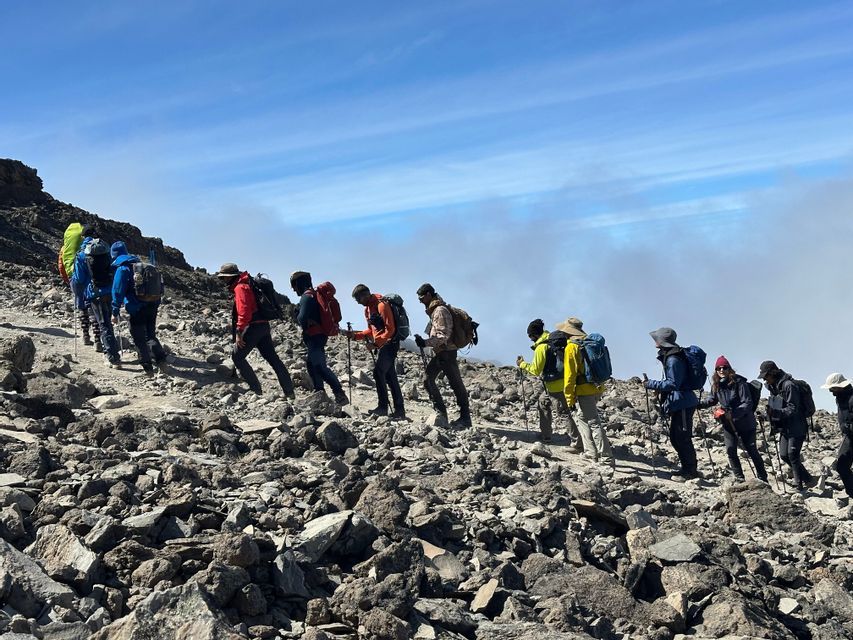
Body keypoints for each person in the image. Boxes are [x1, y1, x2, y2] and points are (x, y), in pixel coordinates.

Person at [216, 263, 295, 398]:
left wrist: (239, 333)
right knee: (273, 359)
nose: (223, 281)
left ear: (230, 277)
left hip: (252, 328)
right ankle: (289, 392)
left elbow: (244, 312)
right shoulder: (249, 284)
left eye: (223, 278)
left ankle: (255, 389)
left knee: (237, 356)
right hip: (263, 326)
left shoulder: (241, 287)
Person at [699, 356, 767, 481]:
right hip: (728, 424)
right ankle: (739, 478)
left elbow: (747, 403)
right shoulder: (716, 385)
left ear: (729, 369)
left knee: (751, 451)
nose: (721, 370)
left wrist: (734, 414)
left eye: (724, 367)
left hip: (746, 423)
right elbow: (712, 400)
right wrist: (698, 404)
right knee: (731, 451)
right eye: (718, 368)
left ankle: (763, 478)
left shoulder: (739, 383)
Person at [643, 327, 699, 480]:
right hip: (681, 402)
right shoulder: (672, 356)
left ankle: (690, 471)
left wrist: (651, 384)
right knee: (676, 437)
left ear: (662, 341)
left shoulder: (673, 359)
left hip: (683, 403)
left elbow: (673, 383)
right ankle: (687, 469)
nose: (655, 342)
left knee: (681, 437)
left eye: (657, 339)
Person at [342, 284, 405, 419]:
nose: (358, 302)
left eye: (358, 299)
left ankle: (383, 408)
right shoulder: (368, 310)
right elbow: (371, 330)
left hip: (390, 344)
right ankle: (399, 411)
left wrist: (376, 344)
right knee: (390, 376)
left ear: (365, 295)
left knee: (378, 372)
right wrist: (355, 335)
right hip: (383, 345)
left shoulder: (381, 305)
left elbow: (391, 329)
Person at [559, 317, 614, 467]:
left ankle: (606, 458)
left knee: (594, 422)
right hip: (597, 387)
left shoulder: (572, 347)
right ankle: (590, 453)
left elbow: (569, 376)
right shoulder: (590, 342)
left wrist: (569, 398)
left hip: (584, 390)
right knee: (582, 417)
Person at [413, 283, 471, 428]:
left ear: (428, 295)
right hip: (444, 352)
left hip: (446, 352)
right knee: (434, 380)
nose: (420, 301)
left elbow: (443, 335)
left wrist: (425, 342)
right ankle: (447, 415)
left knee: (453, 384)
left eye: (421, 298)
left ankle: (460, 417)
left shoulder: (439, 310)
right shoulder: (436, 310)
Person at [517, 319, 580, 447]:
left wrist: (522, 364)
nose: (530, 339)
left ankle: (577, 442)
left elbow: (535, 370)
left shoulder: (541, 347)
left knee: (563, 413)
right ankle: (546, 435)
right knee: (543, 403)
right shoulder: (555, 340)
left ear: (535, 335)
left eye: (530, 336)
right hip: (563, 382)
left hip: (554, 385)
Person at [290, 271, 348, 405]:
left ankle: (339, 394)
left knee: (319, 366)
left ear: (299, 284)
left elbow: (302, 318)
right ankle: (319, 393)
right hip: (320, 335)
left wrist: (297, 314)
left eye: (294, 285)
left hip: (314, 336)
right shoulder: (314, 295)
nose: (293, 289)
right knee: (311, 364)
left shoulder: (307, 296)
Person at [111, 242, 167, 375]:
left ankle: (147, 368)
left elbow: (117, 291)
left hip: (136, 307)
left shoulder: (122, 269)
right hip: (152, 304)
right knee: (150, 335)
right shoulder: (140, 265)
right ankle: (162, 361)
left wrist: (115, 310)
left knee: (139, 337)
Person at [759, 360, 814, 491]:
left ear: (773, 373)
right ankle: (808, 479)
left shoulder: (788, 385)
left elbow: (793, 408)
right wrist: (766, 416)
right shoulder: (774, 387)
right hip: (785, 426)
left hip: (797, 424)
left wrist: (776, 413)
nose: (765, 379)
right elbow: (775, 408)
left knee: (792, 453)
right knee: (784, 455)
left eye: (766, 376)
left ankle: (799, 484)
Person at [82, 238, 121, 367]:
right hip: (109, 293)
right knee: (108, 324)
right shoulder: (107, 258)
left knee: (104, 325)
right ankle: (113, 352)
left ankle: (112, 357)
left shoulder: (86, 259)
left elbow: (81, 279)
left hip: (95, 295)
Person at [821, 373, 853, 501]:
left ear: (840, 386)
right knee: (841, 466)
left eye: (832, 388)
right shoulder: (839, 397)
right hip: (849, 437)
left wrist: (848, 426)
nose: (830, 390)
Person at [69, 226, 100, 350]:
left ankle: (86, 336)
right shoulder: (101, 250)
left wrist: (73, 283)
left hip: (83, 286)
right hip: (97, 285)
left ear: (83, 237)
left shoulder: (81, 253)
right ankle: (98, 340)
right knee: (94, 311)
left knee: (82, 308)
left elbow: (79, 278)